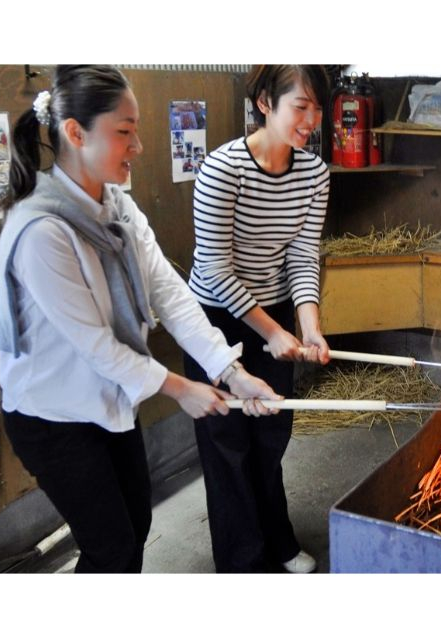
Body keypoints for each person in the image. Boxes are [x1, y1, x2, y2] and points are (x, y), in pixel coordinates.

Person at [0, 65, 281, 573]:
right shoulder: (42, 231)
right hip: (53, 414)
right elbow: (96, 346)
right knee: (112, 547)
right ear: (76, 133)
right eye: (124, 131)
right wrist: (181, 389)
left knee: (135, 528)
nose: (139, 146)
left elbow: (170, 294)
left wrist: (230, 371)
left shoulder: (117, 207)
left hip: (108, 397)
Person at [183, 65, 331, 573]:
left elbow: (303, 256)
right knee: (228, 446)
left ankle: (278, 539)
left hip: (277, 312)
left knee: (271, 435)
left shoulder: (314, 174)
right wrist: (272, 332)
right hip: (216, 319)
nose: (311, 120)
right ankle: (242, 564)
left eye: (317, 108)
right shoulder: (222, 169)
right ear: (265, 102)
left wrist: (308, 327)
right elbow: (213, 269)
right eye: (300, 106)